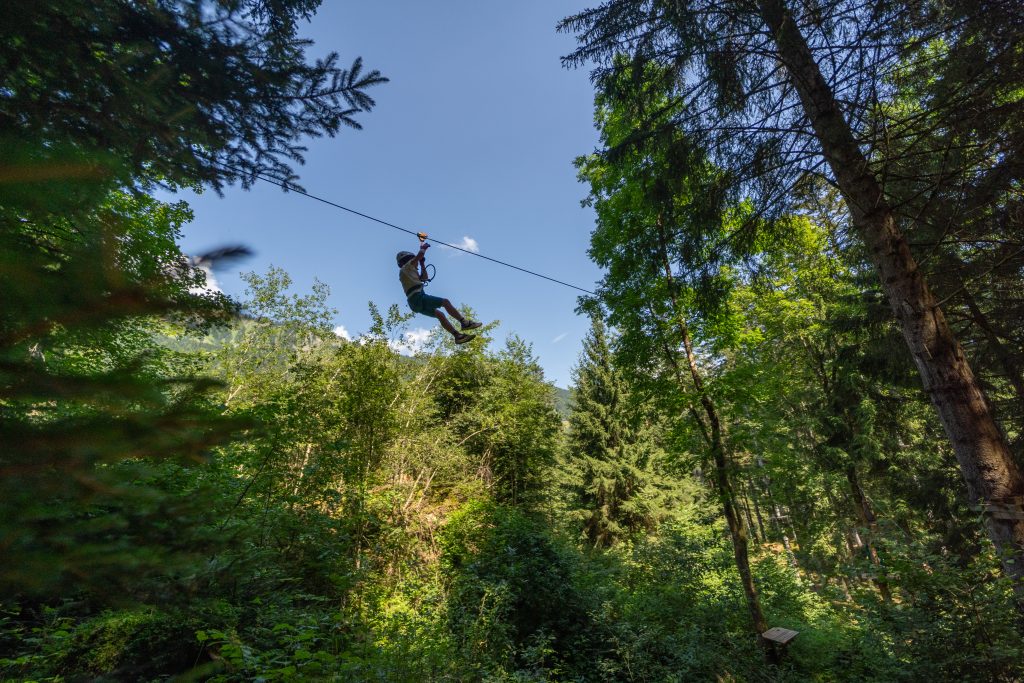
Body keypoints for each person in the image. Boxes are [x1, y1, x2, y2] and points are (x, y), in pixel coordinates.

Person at [397, 241, 481, 344]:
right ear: (407, 260)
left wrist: (423, 263)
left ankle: (457, 336)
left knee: (440, 314)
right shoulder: (407, 267)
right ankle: (464, 322)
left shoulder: (409, 272)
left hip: (414, 302)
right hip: (417, 297)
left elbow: (425, 278)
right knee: (445, 302)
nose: (416, 263)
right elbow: (419, 255)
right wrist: (423, 248)